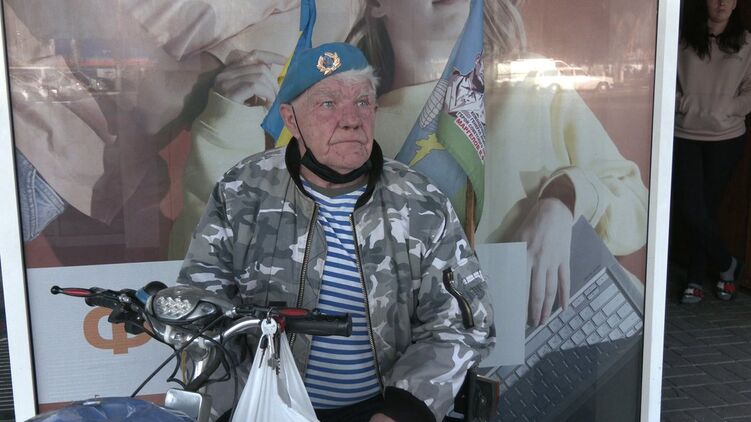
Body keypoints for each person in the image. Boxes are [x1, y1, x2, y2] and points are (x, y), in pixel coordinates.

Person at [177, 42, 495, 422]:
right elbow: (200, 312)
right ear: (291, 120)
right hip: (264, 408)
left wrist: (404, 411)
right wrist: (232, 408)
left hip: (380, 410)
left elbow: (461, 323)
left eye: (362, 102)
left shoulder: (420, 202)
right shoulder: (242, 192)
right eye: (328, 103)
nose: (351, 120)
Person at [346, 0, 649, 326]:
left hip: (596, 324)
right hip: (448, 347)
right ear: (377, 4)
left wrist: (563, 202)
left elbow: (638, 206)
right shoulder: (357, 134)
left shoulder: (535, 86)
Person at [673, 0, 751, 304]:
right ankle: (727, 264)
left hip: (726, 136)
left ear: (735, 4)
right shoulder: (682, 38)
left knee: (707, 209)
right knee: (691, 209)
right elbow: (662, 79)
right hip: (685, 134)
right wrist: (683, 103)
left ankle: (695, 278)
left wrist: (727, 108)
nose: (721, 3)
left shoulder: (745, 42)